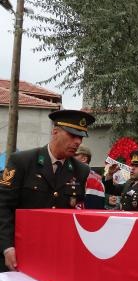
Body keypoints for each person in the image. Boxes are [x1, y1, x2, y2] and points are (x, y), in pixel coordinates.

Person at [0, 109, 95, 272]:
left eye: (80, 137)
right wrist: (7, 246)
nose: (78, 142)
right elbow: (3, 206)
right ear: (55, 132)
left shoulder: (80, 171)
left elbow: (77, 213)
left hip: (57, 255)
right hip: (18, 253)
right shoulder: (23, 161)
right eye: (72, 135)